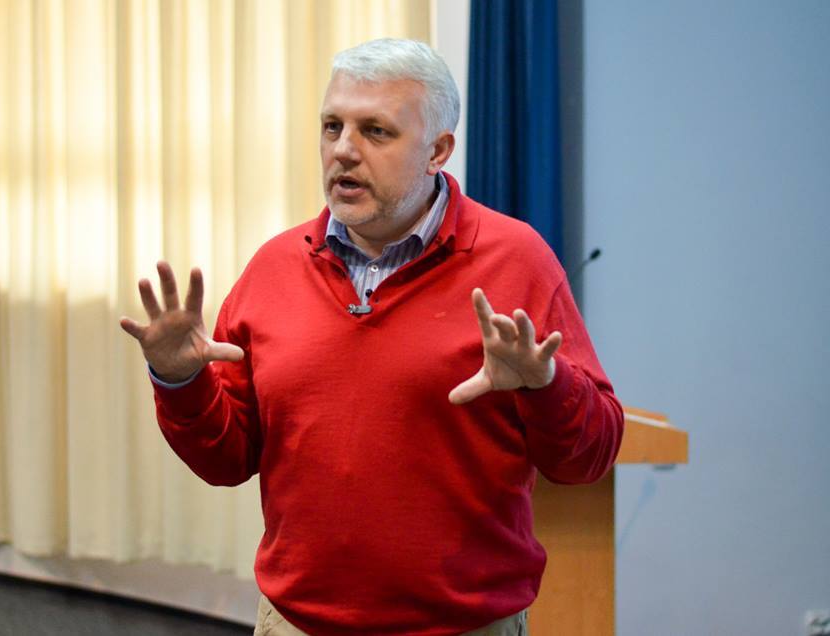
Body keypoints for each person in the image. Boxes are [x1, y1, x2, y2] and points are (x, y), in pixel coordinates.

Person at [121, 38, 623, 636]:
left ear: (438, 150)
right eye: (332, 126)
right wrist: (179, 379)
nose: (343, 151)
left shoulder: (517, 261)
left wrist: (545, 385)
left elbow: (589, 458)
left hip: (464, 626)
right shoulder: (275, 267)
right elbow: (226, 460)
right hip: (296, 623)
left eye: (375, 132)